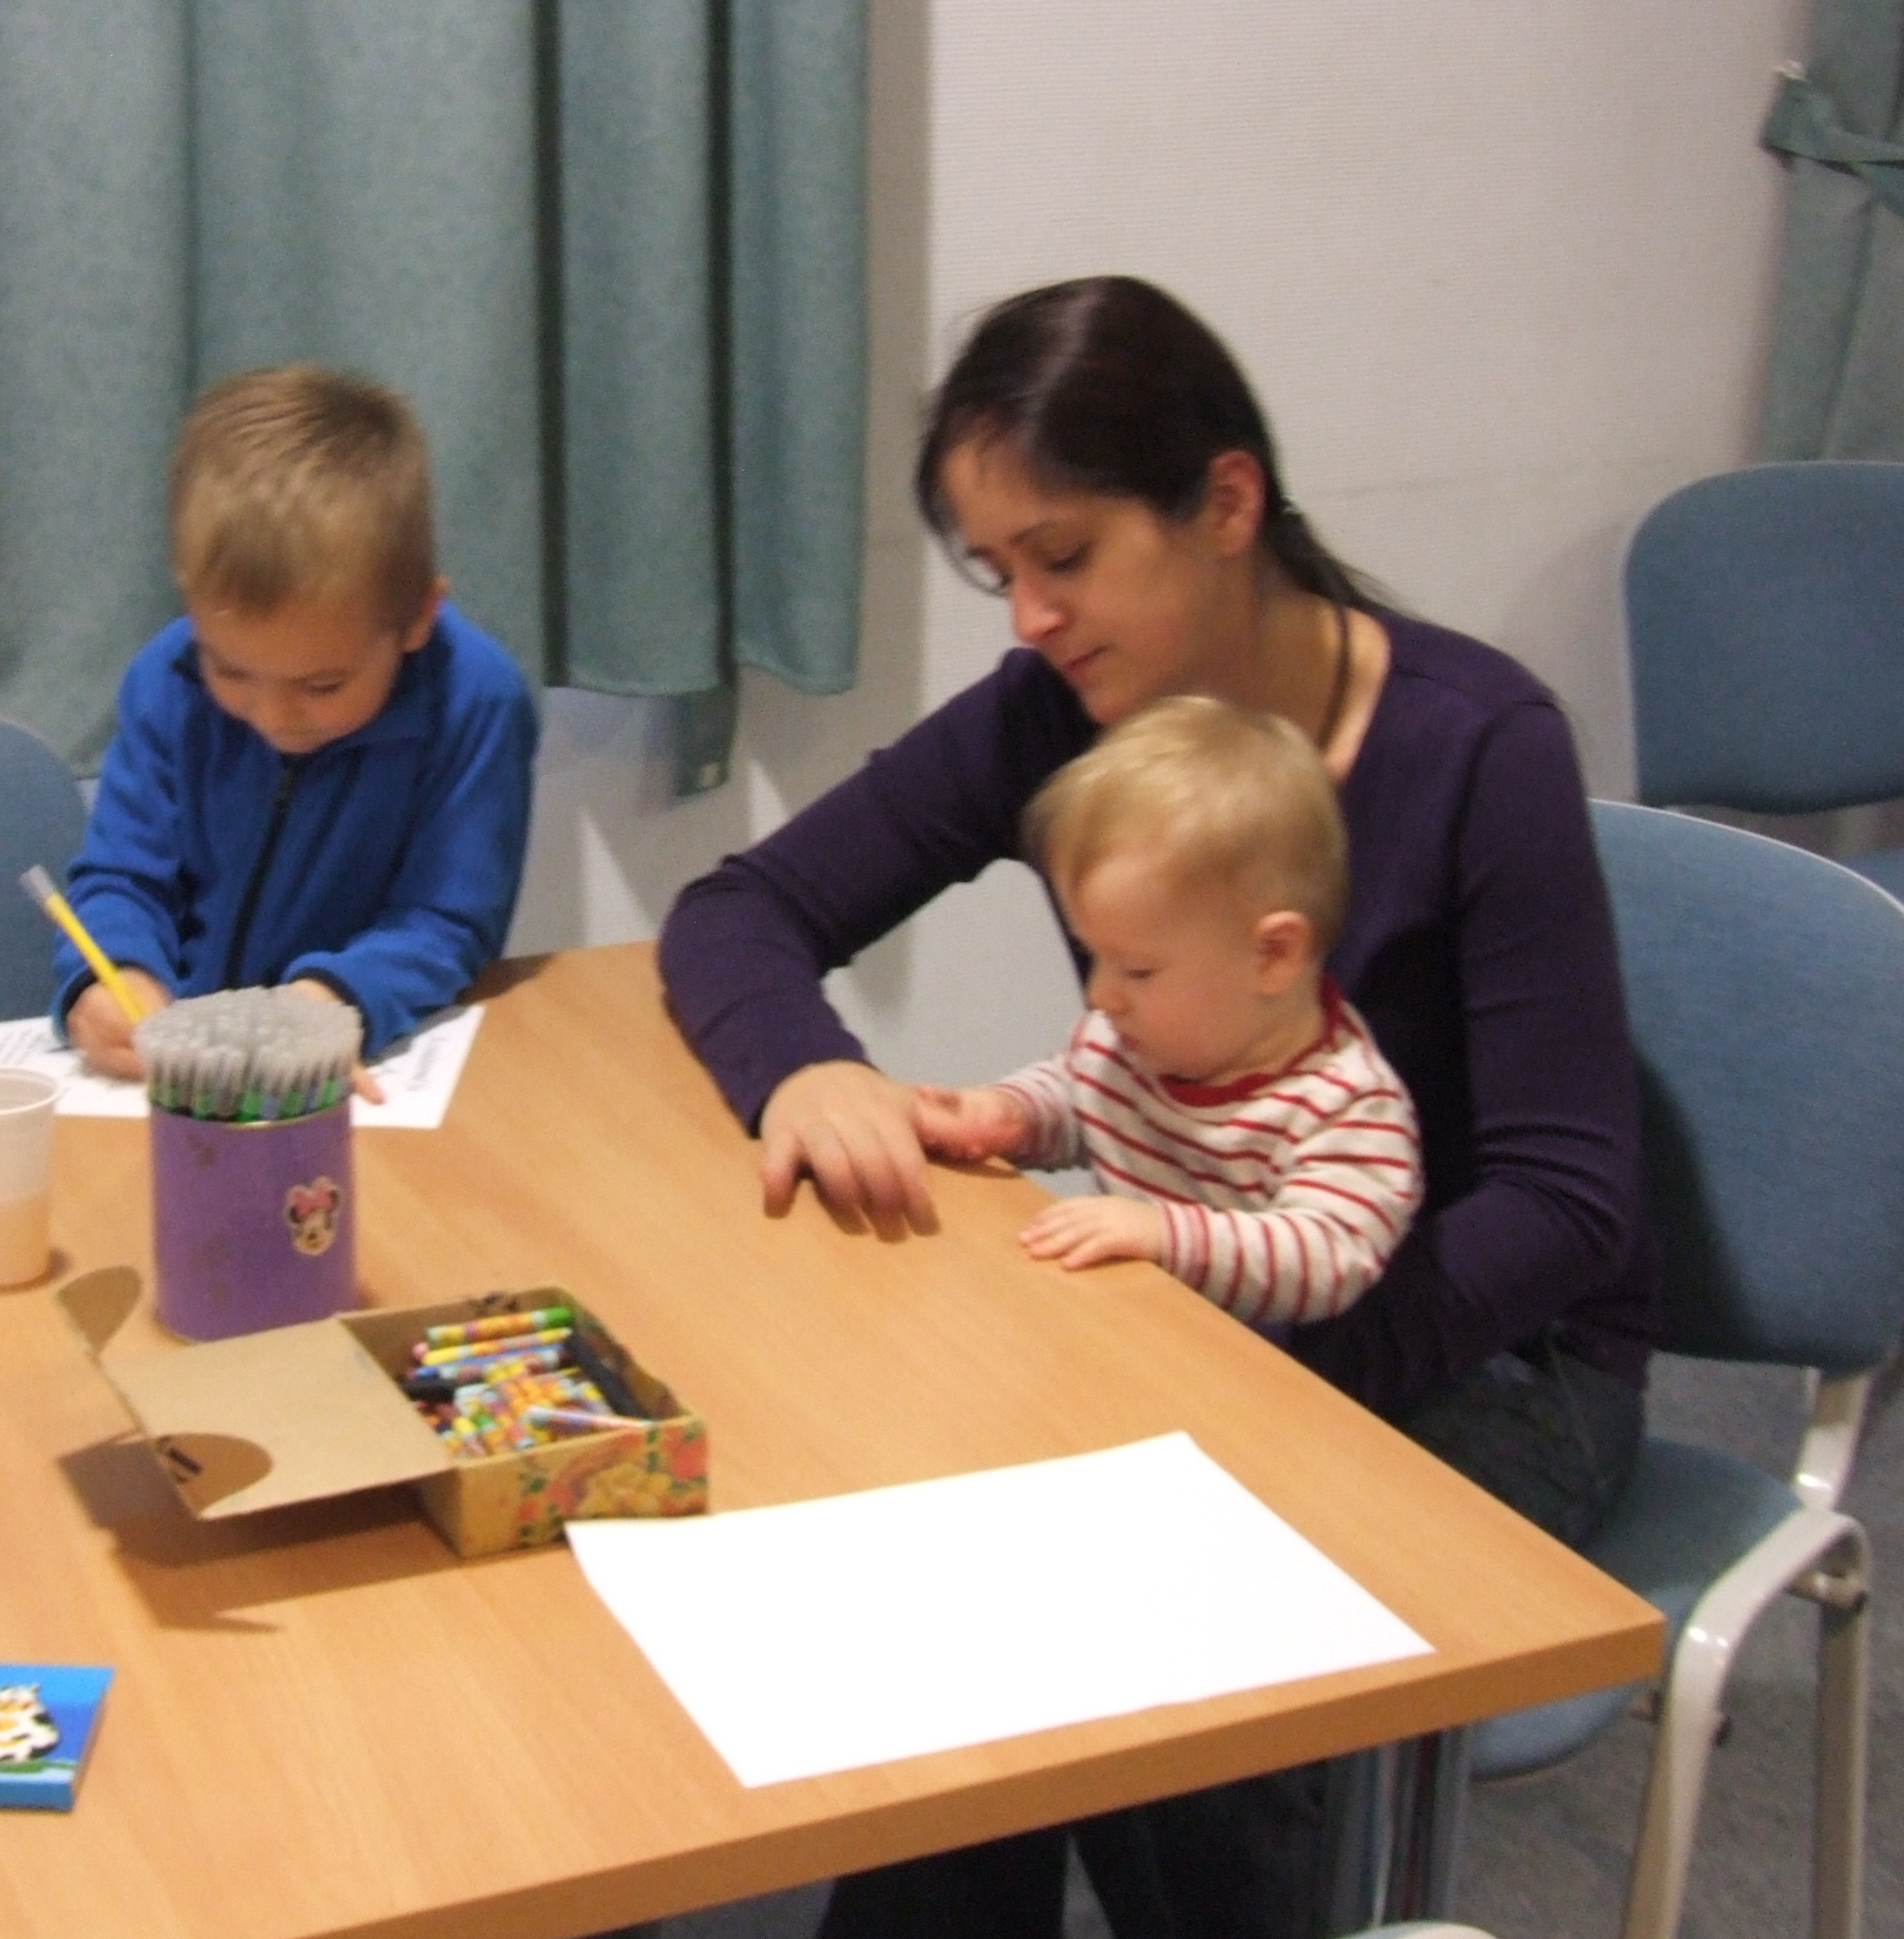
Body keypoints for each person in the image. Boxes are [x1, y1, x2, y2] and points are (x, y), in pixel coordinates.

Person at [656, 277, 1656, 1939]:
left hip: (1484, 1355)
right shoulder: (1060, 718)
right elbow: (739, 913)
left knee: (1123, 1661)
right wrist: (807, 1067)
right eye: (999, 571)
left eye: (1061, 556)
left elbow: (1565, 1206)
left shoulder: (1474, 744)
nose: (1029, 617)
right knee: (943, 1586)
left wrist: (1237, 1384)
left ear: (1224, 503)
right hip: (1201, 1314)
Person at [55, 363, 538, 1071]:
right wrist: (113, 975)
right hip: (188, 1068)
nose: (275, 717)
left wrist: (328, 1004)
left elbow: (447, 921)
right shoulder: (167, 679)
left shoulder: (475, 701)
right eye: (231, 670)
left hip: (368, 1061)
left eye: (322, 683)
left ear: (415, 619)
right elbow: (122, 878)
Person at [916, 695, 1419, 1325]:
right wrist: (1007, 1115)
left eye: (1137, 970)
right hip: (1125, 1328)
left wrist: (1164, 1234)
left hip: (1248, 1372)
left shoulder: (1347, 1106)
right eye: (1093, 956)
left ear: (1273, 955)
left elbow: (1329, 1255)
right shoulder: (1130, 1041)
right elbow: (1079, 1095)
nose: (1099, 995)